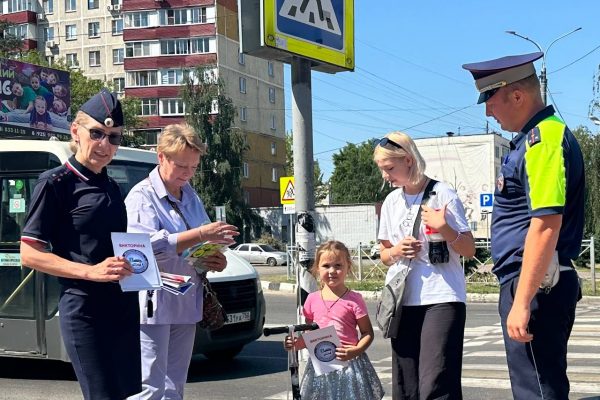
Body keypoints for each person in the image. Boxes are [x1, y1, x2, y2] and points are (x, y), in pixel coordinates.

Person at [463, 52, 585, 399]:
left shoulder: (542, 141)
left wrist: (522, 300)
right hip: (535, 282)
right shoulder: (534, 139)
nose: (488, 111)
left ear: (517, 95)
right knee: (535, 384)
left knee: (538, 389)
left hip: (537, 284)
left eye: (490, 100)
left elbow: (546, 223)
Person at [19, 89, 142, 400]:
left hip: (123, 307)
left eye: (114, 138)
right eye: (97, 133)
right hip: (85, 309)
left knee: (129, 396)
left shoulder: (112, 186)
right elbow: (30, 253)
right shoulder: (55, 183)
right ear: (76, 131)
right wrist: (91, 272)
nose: (105, 145)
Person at [124, 123, 239, 400]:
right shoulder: (142, 196)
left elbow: (198, 245)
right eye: (181, 166)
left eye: (194, 167)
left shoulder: (190, 195)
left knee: (175, 387)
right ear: (161, 157)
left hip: (186, 298)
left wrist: (214, 259)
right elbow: (141, 247)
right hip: (154, 302)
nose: (187, 174)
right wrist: (200, 234)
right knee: (149, 388)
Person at [373, 131, 475, 400]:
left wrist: (445, 227)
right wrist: (396, 250)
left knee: (436, 381)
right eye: (382, 170)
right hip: (402, 300)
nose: (386, 176)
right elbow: (384, 254)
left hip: (442, 297)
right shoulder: (392, 202)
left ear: (408, 160)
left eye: (389, 168)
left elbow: (469, 249)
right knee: (406, 384)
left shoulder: (443, 195)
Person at [284, 240, 384, 400]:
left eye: (338, 266)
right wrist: (295, 344)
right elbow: (308, 335)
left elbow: (367, 333)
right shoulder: (312, 299)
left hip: (349, 367)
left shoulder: (354, 300)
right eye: (326, 266)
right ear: (317, 268)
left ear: (348, 267)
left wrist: (356, 350)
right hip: (320, 368)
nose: (332, 271)